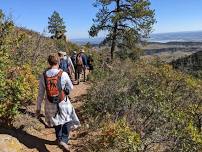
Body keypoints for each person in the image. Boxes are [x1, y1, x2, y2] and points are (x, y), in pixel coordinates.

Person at [36, 53, 80, 151]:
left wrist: (38, 108)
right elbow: (71, 87)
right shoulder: (63, 73)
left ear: (48, 62)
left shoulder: (43, 75)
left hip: (49, 103)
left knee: (56, 121)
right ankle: (63, 140)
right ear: (59, 62)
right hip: (63, 101)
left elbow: (40, 94)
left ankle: (59, 138)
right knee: (67, 119)